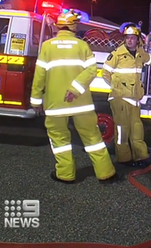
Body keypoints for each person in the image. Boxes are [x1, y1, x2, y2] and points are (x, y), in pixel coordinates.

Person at [30, 10, 117, 184]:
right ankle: (106, 173)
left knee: (59, 139)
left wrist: (36, 100)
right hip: (81, 104)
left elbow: (39, 76)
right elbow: (92, 70)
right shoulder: (82, 46)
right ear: (73, 27)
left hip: (55, 104)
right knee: (93, 138)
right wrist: (75, 89)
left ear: (59, 27)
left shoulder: (47, 46)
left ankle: (66, 174)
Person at [102, 22, 151, 168]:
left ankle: (141, 157)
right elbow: (105, 73)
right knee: (122, 130)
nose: (129, 40)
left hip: (134, 99)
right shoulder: (117, 54)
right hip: (120, 98)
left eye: (132, 38)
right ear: (124, 39)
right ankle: (124, 159)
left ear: (137, 39)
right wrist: (117, 88)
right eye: (127, 38)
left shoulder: (141, 54)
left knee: (137, 129)